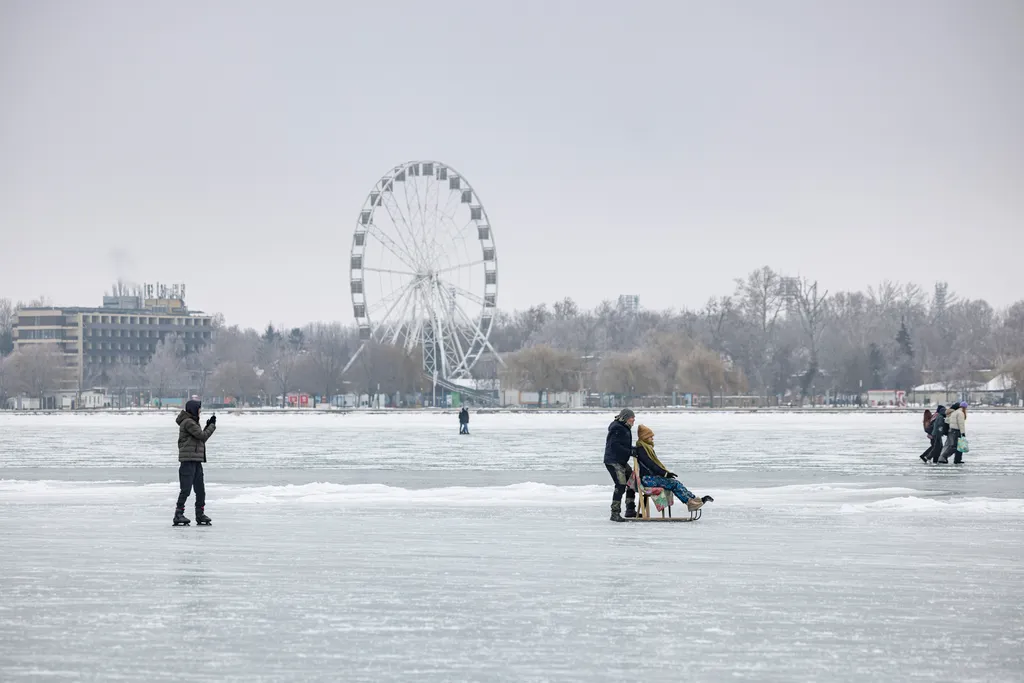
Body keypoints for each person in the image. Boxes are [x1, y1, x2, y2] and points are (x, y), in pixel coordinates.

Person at [633, 424, 713, 513]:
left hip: (651, 477)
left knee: (675, 482)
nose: (652, 438)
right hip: (647, 479)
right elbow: (651, 464)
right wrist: (665, 474)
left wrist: (665, 474)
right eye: (650, 436)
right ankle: (690, 502)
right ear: (645, 437)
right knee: (673, 483)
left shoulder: (646, 448)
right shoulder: (641, 449)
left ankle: (694, 500)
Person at [173, 399, 217, 526]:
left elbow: (199, 440)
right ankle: (178, 514)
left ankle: (200, 513)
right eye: (198, 409)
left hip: (196, 460)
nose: (200, 411)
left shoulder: (192, 422)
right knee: (186, 489)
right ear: (193, 409)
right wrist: (211, 426)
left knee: (200, 489)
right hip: (188, 461)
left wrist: (207, 427)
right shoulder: (188, 422)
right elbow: (202, 436)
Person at [604, 408, 637, 522]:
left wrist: (634, 450)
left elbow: (624, 445)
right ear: (626, 417)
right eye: (632, 417)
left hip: (622, 461)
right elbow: (615, 446)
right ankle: (615, 513)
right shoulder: (617, 428)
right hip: (613, 461)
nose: (634, 420)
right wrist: (630, 451)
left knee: (632, 481)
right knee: (621, 484)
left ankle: (630, 510)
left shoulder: (625, 428)